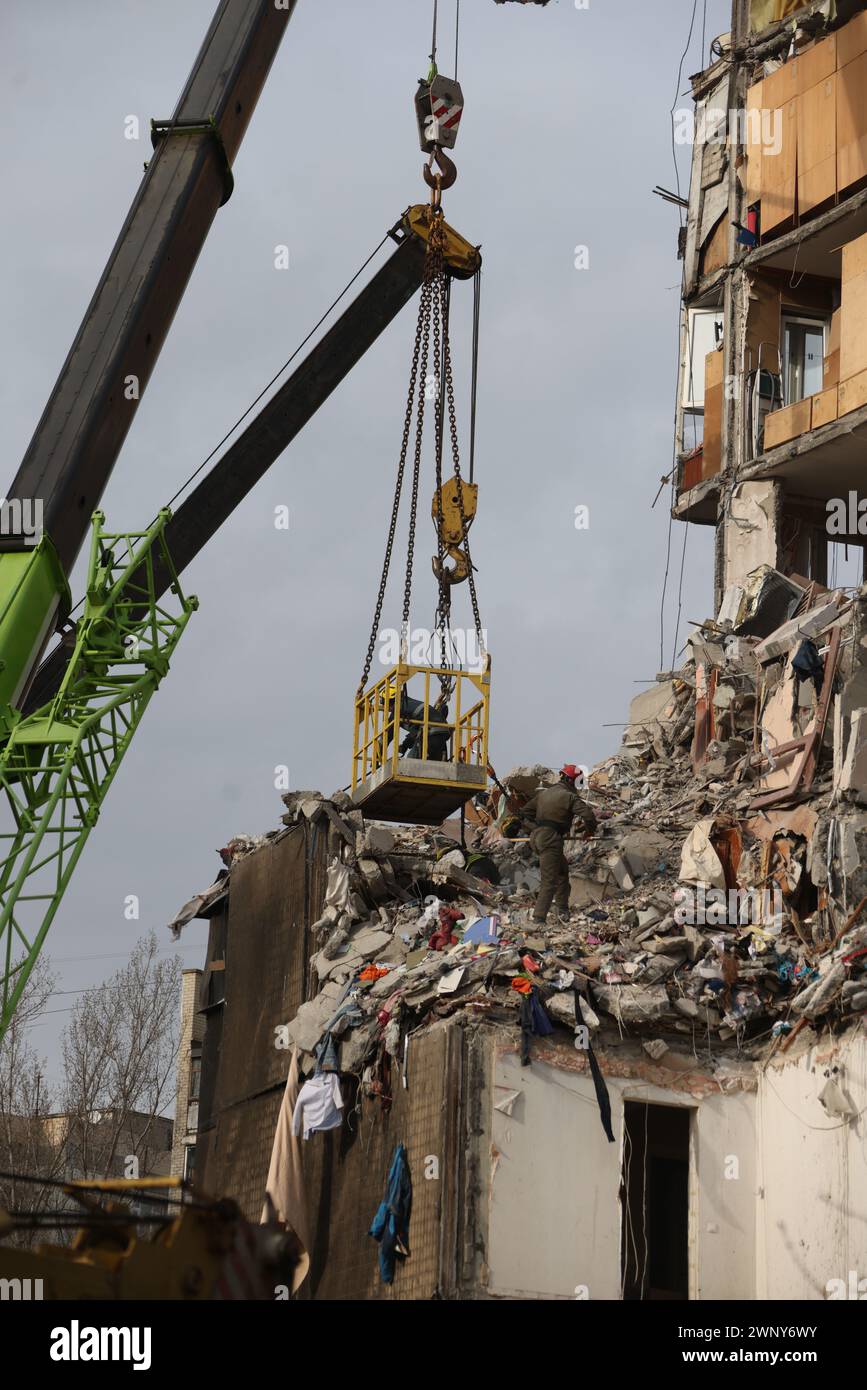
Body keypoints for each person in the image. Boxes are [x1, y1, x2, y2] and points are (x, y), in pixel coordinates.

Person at [520, 765, 597, 924]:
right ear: (571, 780)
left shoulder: (543, 794)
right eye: (577, 782)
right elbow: (588, 816)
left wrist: (537, 829)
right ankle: (538, 919)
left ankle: (562, 909)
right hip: (550, 839)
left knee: (562, 872)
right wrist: (589, 832)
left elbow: (524, 813)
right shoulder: (568, 796)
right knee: (550, 881)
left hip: (538, 837)